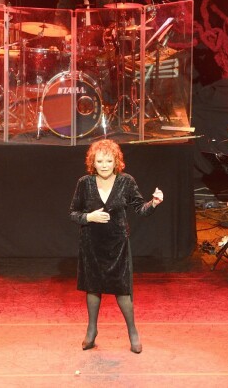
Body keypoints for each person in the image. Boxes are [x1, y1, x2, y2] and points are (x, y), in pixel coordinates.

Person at [69, 139, 164, 354]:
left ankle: (132, 332)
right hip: (91, 245)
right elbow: (73, 213)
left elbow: (140, 209)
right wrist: (88, 216)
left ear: (116, 162)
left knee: (122, 291)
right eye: (100, 160)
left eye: (108, 160)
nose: (104, 165)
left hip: (117, 245)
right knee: (93, 288)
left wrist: (154, 203)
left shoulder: (126, 182)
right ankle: (91, 330)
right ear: (93, 162)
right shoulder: (84, 183)